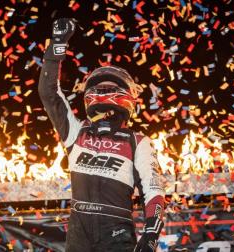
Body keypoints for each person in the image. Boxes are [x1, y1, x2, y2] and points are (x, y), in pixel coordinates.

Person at [38, 18, 165, 252]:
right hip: (79, 232)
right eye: (99, 88)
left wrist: (150, 234)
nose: (103, 93)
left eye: (109, 88)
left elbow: (153, 190)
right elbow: (49, 93)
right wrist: (57, 45)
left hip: (115, 232)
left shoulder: (137, 141)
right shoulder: (76, 132)